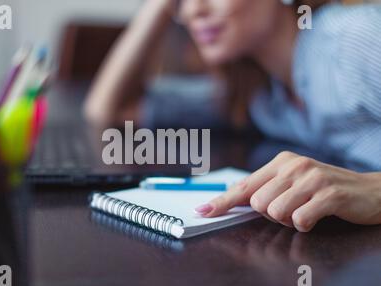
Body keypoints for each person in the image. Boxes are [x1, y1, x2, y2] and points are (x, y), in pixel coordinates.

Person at [85, 0, 381, 232]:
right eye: (179, 1)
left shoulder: (354, 39)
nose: (192, 10)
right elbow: (104, 110)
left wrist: (373, 191)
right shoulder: (256, 93)